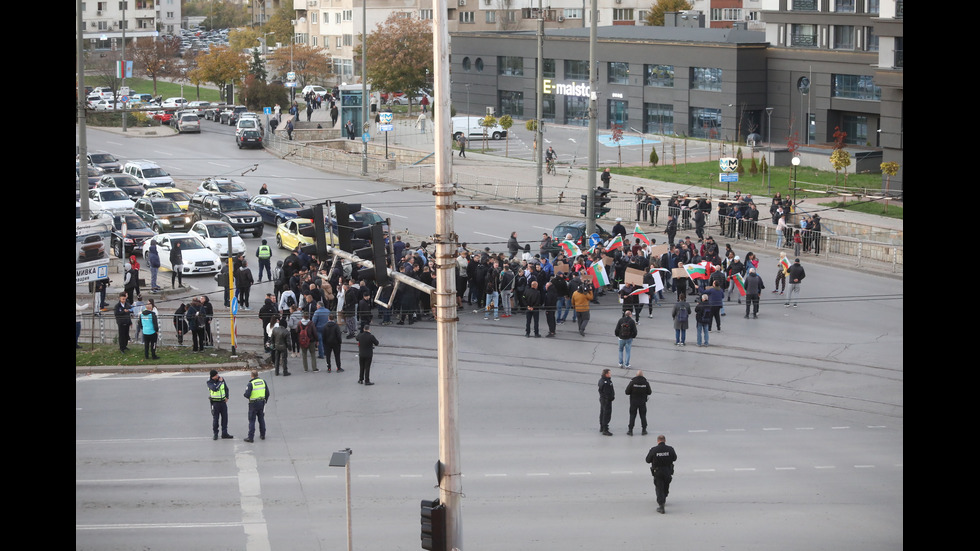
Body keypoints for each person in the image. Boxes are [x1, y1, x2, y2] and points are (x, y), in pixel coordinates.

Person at [646, 435, 678, 514]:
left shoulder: (654, 450)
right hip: (668, 470)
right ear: (665, 440)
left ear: (658, 441)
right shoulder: (670, 449)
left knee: (659, 487)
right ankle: (664, 495)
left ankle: (661, 505)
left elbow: (647, 460)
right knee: (666, 484)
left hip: (658, 471)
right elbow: (674, 458)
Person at [243, 370, 269, 443]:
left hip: (253, 404)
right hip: (261, 403)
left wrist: (245, 395)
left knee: (252, 420)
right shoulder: (263, 381)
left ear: (252, 375)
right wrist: (265, 401)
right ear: (257, 375)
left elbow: (247, 394)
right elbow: (267, 393)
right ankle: (262, 435)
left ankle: (250, 437)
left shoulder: (250, 383)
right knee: (261, 419)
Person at [207, 370, 234, 440]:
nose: (218, 376)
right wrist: (220, 382)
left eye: (217, 374)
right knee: (216, 419)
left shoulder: (221, 379)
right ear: (212, 377)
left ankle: (224, 433)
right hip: (215, 403)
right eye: (216, 375)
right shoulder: (209, 382)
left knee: (225, 418)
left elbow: (226, 389)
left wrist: (227, 397)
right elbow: (215, 389)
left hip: (223, 402)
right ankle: (215, 433)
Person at [625, 370, 652, 436]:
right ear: (642, 375)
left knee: (632, 415)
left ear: (636, 375)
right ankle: (644, 430)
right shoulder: (646, 383)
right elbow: (649, 392)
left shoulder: (633, 382)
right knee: (643, 416)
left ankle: (630, 430)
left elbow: (627, 392)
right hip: (642, 402)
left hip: (633, 402)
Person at [598, 368, 615, 436]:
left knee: (602, 412)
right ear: (606, 374)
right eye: (609, 373)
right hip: (606, 400)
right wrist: (610, 398)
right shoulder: (606, 382)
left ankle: (602, 426)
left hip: (603, 399)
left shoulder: (602, 380)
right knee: (606, 414)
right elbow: (607, 392)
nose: (610, 374)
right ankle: (605, 429)